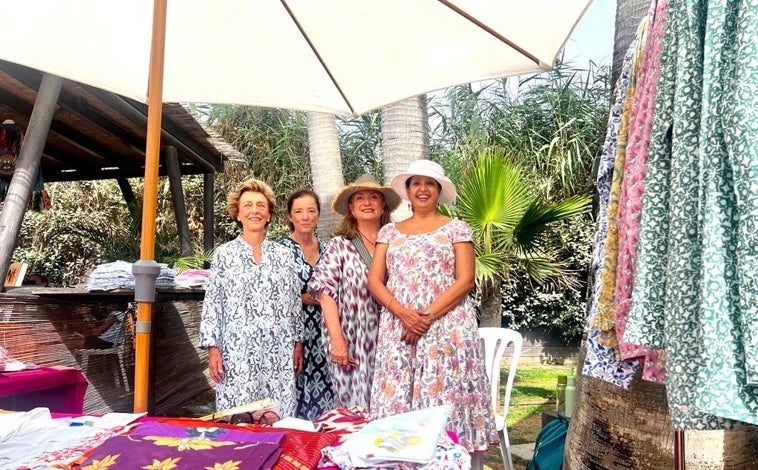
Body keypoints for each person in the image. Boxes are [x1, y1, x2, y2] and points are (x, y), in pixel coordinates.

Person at [367, 159, 498, 454]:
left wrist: (424, 318)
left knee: (443, 394)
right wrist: (403, 314)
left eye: (430, 184)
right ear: (408, 190)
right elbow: (375, 281)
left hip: (445, 326)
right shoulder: (389, 232)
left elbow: (465, 280)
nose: (422, 189)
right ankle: (399, 458)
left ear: (439, 191)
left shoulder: (456, 228)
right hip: (399, 327)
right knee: (398, 392)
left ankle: (447, 456)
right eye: (416, 183)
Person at [198, 178, 303, 417]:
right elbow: (213, 303)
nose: (254, 210)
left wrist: (298, 343)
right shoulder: (225, 255)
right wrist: (213, 349)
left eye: (260, 206)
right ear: (238, 214)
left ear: (269, 215)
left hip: (279, 349)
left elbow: (294, 303)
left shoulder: (284, 255)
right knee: (239, 416)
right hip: (237, 351)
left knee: (279, 415)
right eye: (247, 205)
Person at [309, 175, 401, 410]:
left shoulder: (397, 242)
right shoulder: (340, 245)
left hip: (391, 337)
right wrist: (337, 340)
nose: (367, 202)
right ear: (350, 207)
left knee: (391, 404)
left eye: (374, 197)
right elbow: (325, 292)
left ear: (383, 206)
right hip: (352, 338)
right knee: (354, 409)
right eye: (359, 198)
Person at [280, 189, 334, 422]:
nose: (305, 217)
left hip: (326, 332)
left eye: (311, 211)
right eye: (299, 211)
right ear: (290, 216)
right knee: (295, 389)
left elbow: (338, 287)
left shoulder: (329, 250)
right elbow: (276, 295)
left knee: (328, 390)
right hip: (294, 333)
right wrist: (306, 297)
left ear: (318, 216)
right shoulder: (280, 251)